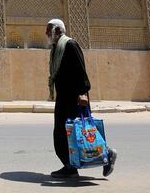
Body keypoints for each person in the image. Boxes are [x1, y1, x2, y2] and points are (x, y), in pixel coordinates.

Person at [46, 18, 117, 178]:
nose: (46, 33)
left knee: (84, 132)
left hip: (75, 98)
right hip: (63, 98)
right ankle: (69, 166)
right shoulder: (56, 48)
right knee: (62, 133)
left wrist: (83, 93)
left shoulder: (70, 45)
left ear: (57, 30)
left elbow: (80, 69)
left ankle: (108, 154)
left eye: (48, 29)